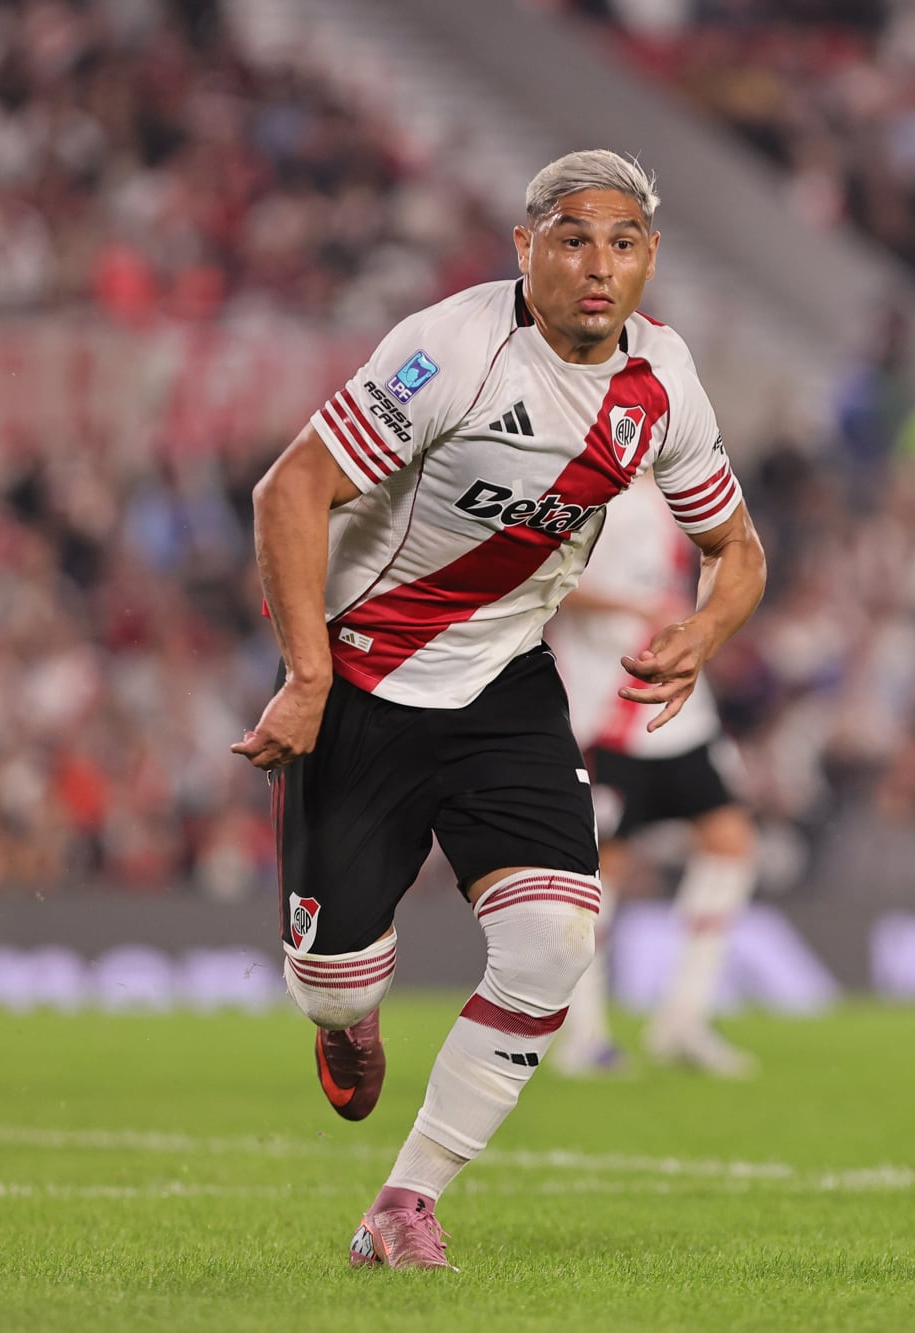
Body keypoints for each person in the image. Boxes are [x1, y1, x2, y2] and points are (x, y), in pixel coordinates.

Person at [234, 150, 767, 1269]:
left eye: (621, 244)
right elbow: (290, 488)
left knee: (555, 939)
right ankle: (345, 1017)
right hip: (365, 685)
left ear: (649, 259)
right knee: (332, 985)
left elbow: (737, 550)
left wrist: (703, 633)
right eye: (571, 239)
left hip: (504, 686)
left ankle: (405, 1200)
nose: (596, 266)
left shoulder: (660, 378)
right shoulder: (452, 348)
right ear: (522, 248)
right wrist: (305, 674)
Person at [548, 473, 760, 1079]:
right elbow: (550, 586)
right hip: (608, 708)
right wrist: (631, 606)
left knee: (730, 843)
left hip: (682, 708)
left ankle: (682, 1019)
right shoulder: (583, 491)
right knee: (602, 868)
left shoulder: (677, 489)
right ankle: (584, 1035)